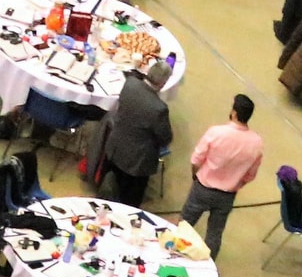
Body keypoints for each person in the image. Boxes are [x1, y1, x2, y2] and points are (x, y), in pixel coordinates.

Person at [179, 96, 263, 253]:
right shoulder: (256, 142)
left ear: (234, 113)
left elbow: (196, 160)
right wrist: (236, 183)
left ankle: (174, 254)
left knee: (185, 224)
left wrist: (195, 176)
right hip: (227, 195)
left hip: (203, 187)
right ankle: (208, 267)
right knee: (214, 234)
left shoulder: (216, 133)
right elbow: (250, 175)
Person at [93, 63, 177, 205]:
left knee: (108, 185)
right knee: (130, 202)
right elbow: (165, 138)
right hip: (136, 162)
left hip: (115, 147)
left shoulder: (129, 84)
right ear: (163, 83)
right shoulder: (159, 109)